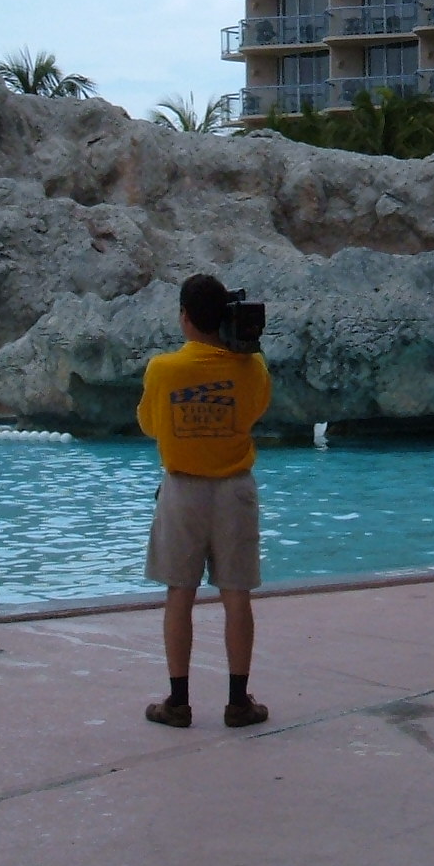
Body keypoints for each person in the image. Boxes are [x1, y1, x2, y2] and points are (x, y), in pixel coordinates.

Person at [138, 273, 271, 730]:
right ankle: (238, 701)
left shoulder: (162, 370)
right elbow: (255, 412)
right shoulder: (251, 368)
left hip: (182, 491)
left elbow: (150, 426)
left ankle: (178, 701)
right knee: (236, 594)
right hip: (234, 489)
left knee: (180, 593)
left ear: (184, 317)